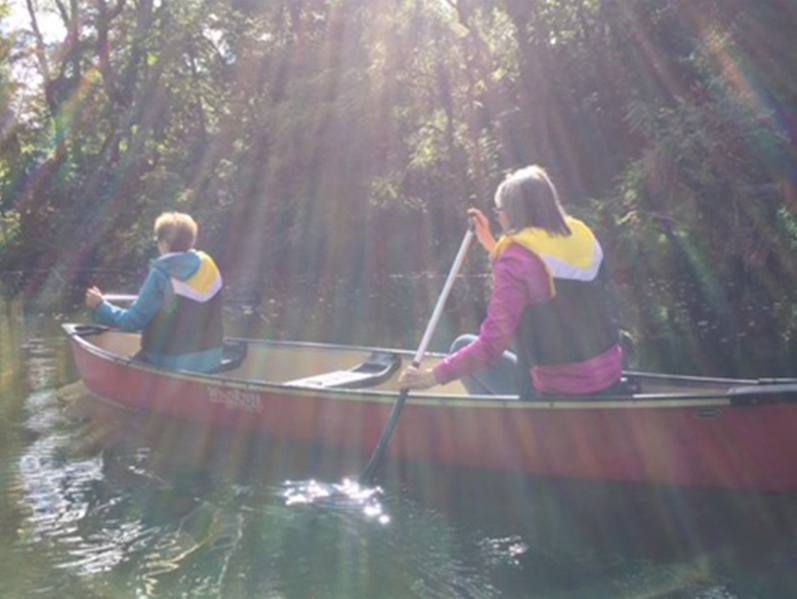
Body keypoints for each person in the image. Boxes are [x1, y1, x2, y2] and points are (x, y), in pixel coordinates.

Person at [399, 165, 623, 398]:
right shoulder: (582, 235)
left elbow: (492, 344)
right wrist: (488, 242)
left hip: (557, 390)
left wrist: (432, 377)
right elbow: (541, 276)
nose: (499, 217)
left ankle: (506, 430)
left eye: (498, 211)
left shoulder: (515, 257)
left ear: (512, 211)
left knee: (460, 345)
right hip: (609, 378)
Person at [85, 212, 224, 373]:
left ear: (164, 243)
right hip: (212, 358)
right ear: (192, 241)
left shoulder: (161, 274)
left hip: (173, 361)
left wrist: (100, 305)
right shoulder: (208, 266)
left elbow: (131, 322)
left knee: (135, 359)